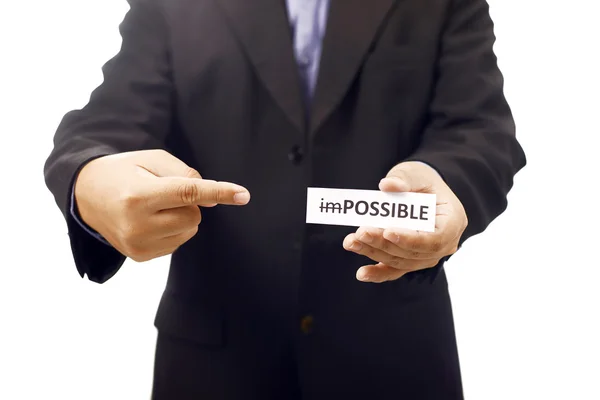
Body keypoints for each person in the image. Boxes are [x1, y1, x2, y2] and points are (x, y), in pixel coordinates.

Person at [43, 0, 526, 398]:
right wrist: (90, 179)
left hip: (393, 355)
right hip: (216, 361)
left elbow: (481, 130)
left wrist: (448, 183)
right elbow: (107, 125)